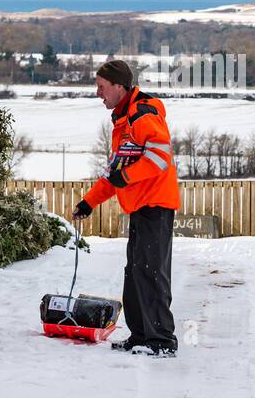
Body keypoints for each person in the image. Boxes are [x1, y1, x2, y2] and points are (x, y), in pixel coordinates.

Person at [72, 60, 180, 357]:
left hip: (155, 205)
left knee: (151, 273)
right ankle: (141, 335)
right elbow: (114, 173)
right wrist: (89, 202)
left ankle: (161, 341)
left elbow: (160, 158)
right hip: (140, 206)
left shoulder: (142, 115)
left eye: (102, 87)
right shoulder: (123, 120)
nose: (98, 93)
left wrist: (127, 176)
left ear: (119, 86)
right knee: (135, 272)